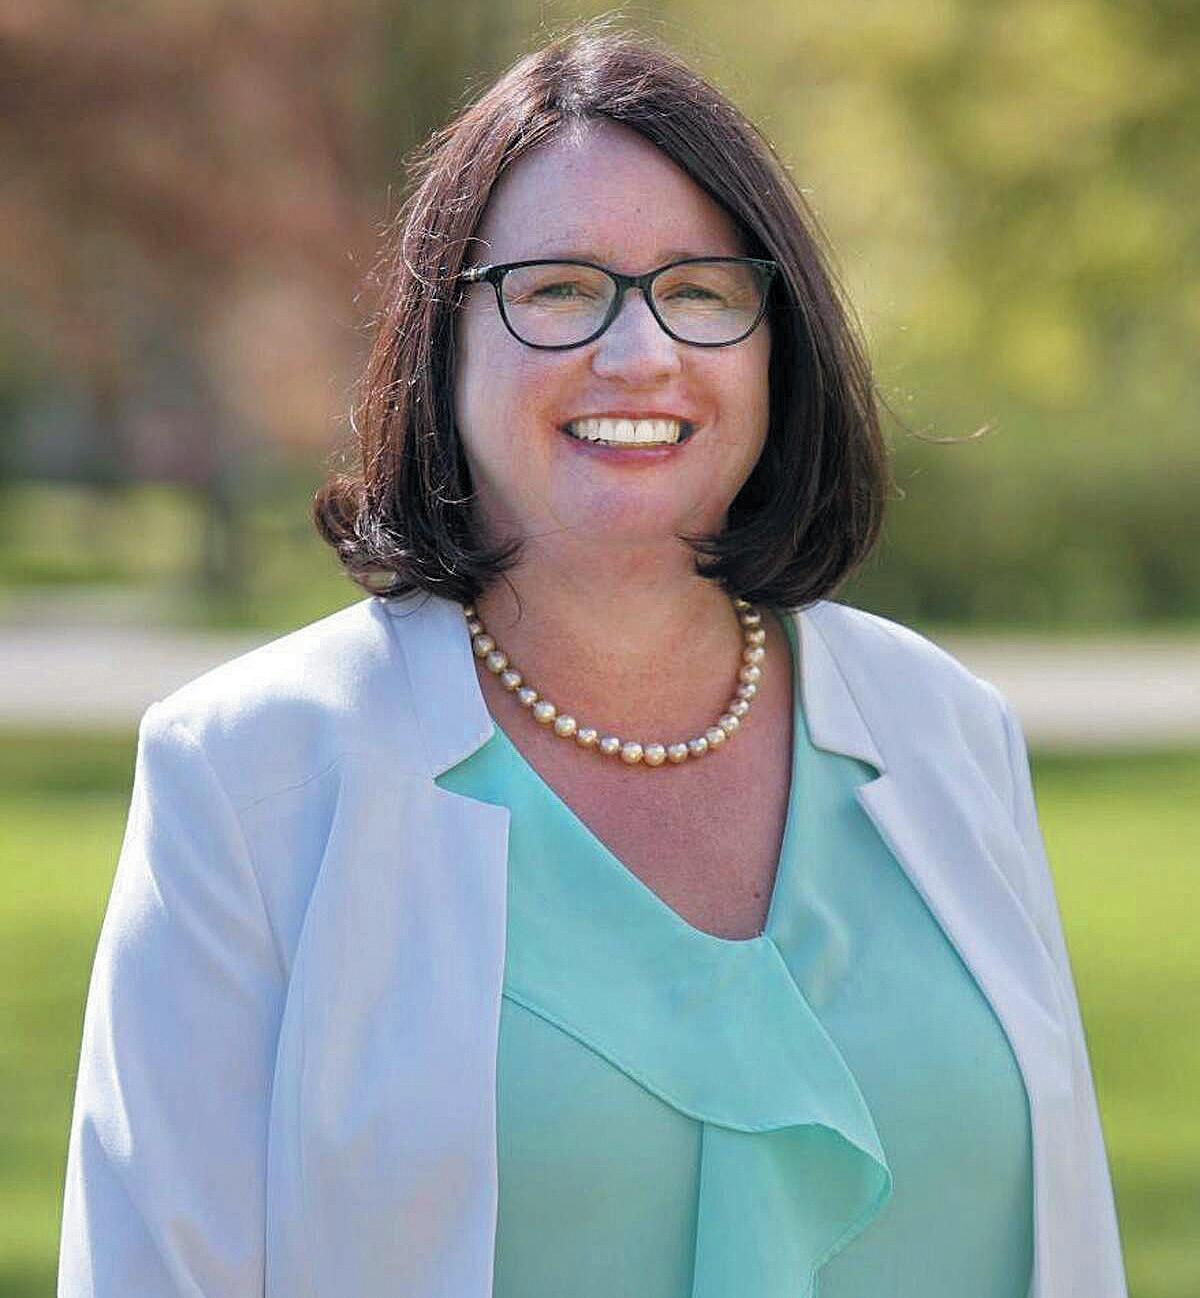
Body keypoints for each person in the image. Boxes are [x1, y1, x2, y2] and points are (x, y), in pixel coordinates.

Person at [58, 25, 1126, 1298]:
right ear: (445, 336)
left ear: (776, 343)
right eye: (560, 288)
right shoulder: (246, 777)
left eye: (703, 289)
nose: (639, 353)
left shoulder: (951, 732)